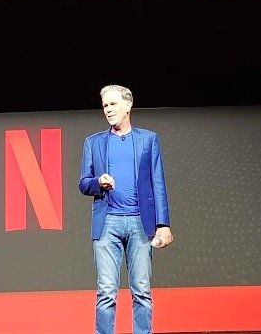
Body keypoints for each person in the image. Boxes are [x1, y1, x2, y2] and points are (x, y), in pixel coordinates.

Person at [79, 84, 173, 334]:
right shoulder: (93, 143)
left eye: (113, 104)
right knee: (106, 292)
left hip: (140, 223)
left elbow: (158, 182)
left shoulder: (148, 140)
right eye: (105, 105)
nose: (108, 110)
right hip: (107, 223)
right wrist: (98, 182)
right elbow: (83, 183)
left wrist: (163, 224)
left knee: (141, 290)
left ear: (128, 105)